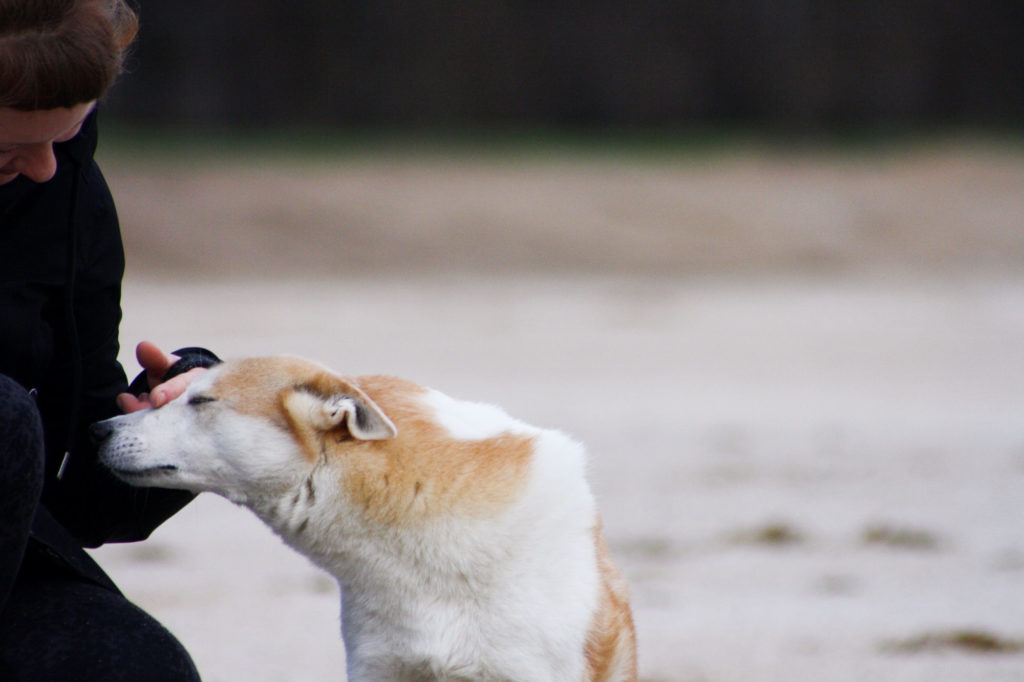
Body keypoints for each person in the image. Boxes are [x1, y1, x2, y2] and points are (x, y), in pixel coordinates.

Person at [0, 1, 218, 679]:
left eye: (66, 137)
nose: (43, 168)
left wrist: (175, 421)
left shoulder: (66, 197)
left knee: (135, 666)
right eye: (7, 147)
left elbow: (71, 505)